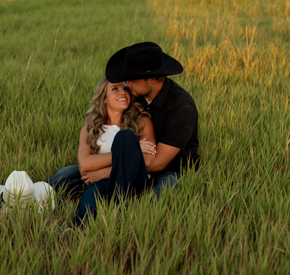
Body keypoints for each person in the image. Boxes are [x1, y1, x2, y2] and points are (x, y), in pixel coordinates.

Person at [49, 42, 199, 199]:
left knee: (161, 194)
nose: (127, 84)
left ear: (152, 78)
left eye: (132, 79)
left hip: (167, 168)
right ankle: (33, 193)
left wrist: (104, 173)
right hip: (128, 159)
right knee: (69, 174)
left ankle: (128, 216)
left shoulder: (182, 108)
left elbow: (158, 162)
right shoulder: (135, 94)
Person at [70, 77, 156, 225]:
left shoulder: (141, 122)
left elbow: (147, 161)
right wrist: (130, 152)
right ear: (104, 98)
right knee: (89, 200)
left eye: (125, 89)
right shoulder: (90, 129)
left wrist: (103, 171)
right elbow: (84, 164)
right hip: (102, 183)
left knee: (125, 137)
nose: (123, 93)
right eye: (115, 89)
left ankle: (118, 210)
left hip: (135, 182)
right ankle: (77, 232)